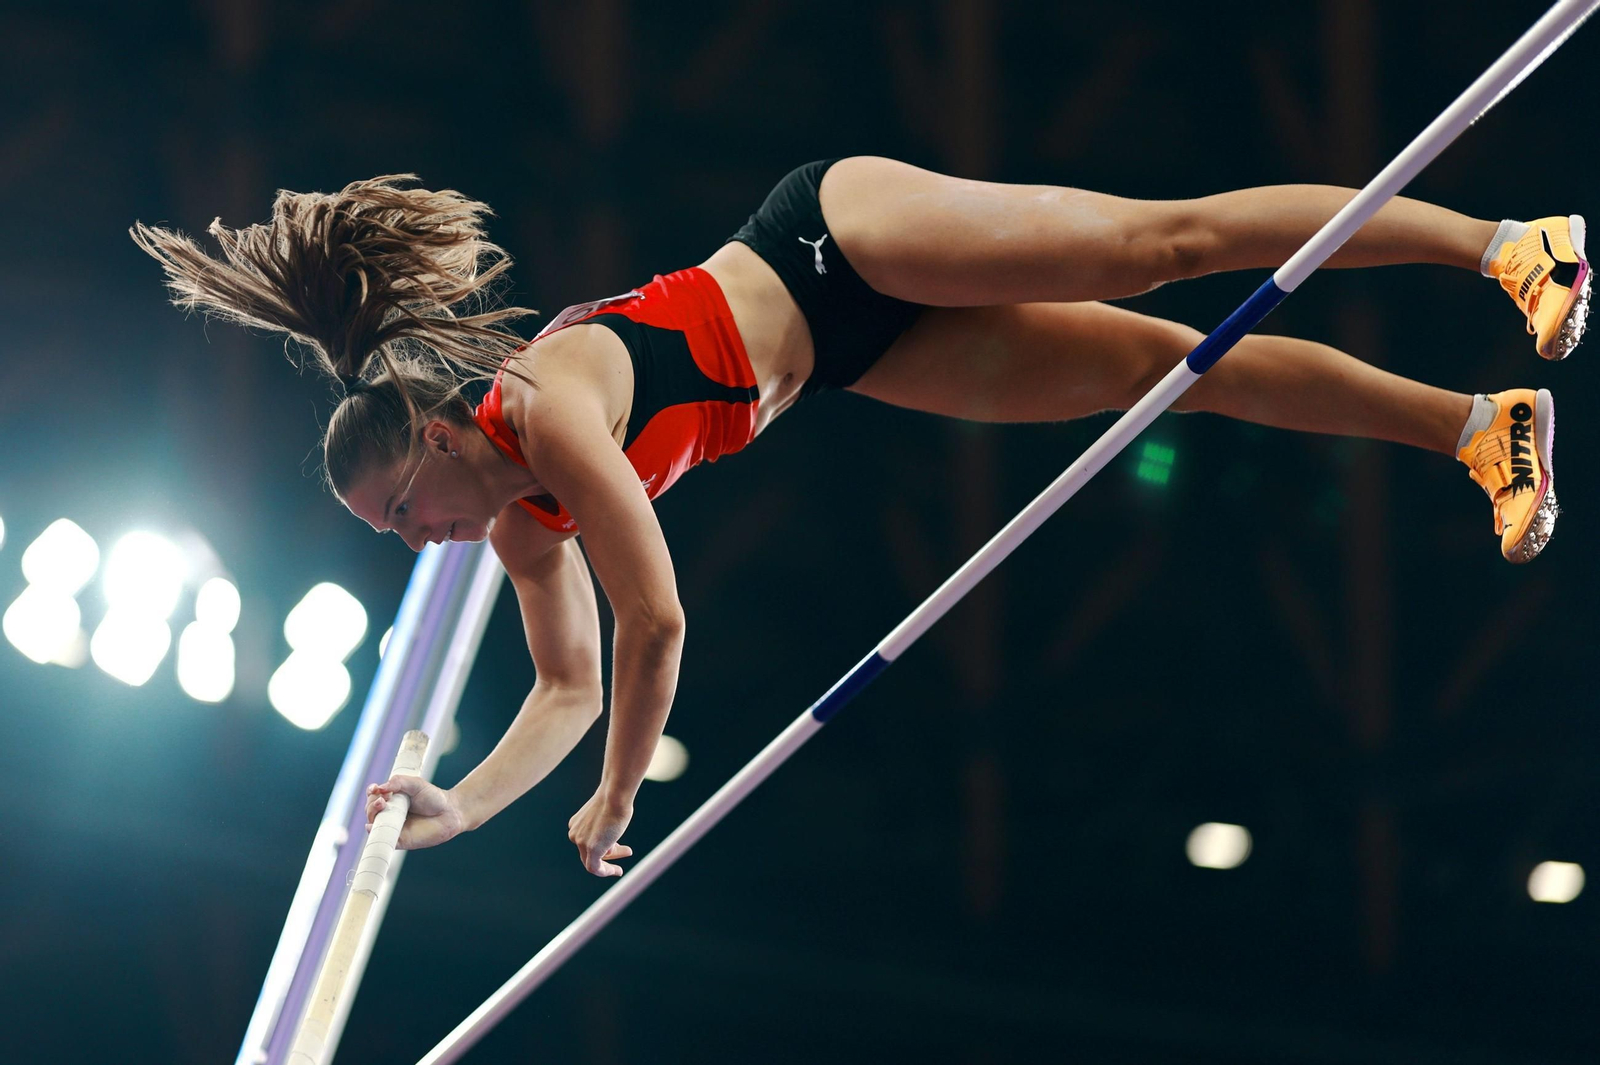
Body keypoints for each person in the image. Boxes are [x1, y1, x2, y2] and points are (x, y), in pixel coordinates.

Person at [131, 156, 1588, 877]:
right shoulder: (524, 527)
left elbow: (654, 623)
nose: (414, 541)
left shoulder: (552, 412)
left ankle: (1506, 245)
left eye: (402, 508)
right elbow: (566, 686)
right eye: (389, 534)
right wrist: (466, 800)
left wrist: (622, 796)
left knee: (1165, 246)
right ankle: (1478, 429)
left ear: (441, 434)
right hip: (848, 358)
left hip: (832, 240)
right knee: (1170, 377)